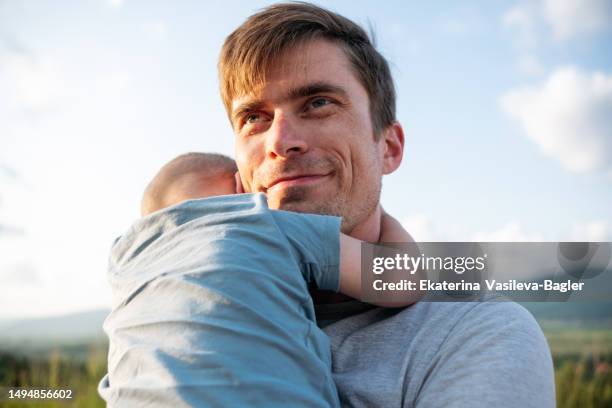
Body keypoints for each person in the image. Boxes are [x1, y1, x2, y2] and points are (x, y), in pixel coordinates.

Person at [219, 2, 556, 407]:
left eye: (318, 102)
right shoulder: (185, 299)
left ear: (389, 148)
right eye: (254, 118)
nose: (280, 141)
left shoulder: (474, 332)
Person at [99, 152, 417, 407]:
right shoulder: (259, 219)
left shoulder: (124, 259)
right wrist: (382, 214)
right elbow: (401, 280)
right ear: (241, 186)